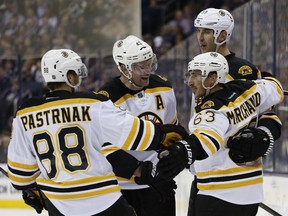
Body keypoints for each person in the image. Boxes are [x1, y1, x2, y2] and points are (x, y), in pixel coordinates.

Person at [7, 49, 186, 216]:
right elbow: (138, 134)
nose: (79, 78)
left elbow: (20, 176)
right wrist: (163, 135)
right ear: (69, 76)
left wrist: (32, 189)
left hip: (59, 203)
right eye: (76, 74)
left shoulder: (25, 113)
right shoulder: (93, 103)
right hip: (102, 198)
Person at [157, 52, 284, 216]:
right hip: (251, 194)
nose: (189, 82)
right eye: (189, 75)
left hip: (218, 195)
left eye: (195, 75)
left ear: (212, 78)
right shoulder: (248, 90)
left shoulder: (210, 110)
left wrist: (182, 152)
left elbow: (207, 139)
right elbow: (276, 88)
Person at [187, 8, 282, 216]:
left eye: (207, 31)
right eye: (199, 31)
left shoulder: (243, 70)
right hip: (205, 173)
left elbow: (268, 114)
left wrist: (263, 136)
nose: (200, 38)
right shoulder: (198, 67)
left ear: (223, 34)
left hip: (233, 176)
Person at [97, 35, 181, 216]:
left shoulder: (164, 87)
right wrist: (139, 170)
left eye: (149, 63)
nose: (147, 71)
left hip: (157, 182)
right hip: (119, 187)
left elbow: (172, 134)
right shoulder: (106, 98)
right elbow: (103, 148)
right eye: (140, 66)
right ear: (123, 68)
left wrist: (171, 165)